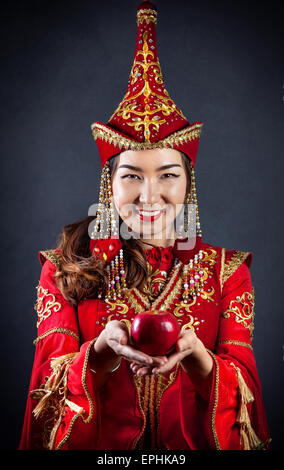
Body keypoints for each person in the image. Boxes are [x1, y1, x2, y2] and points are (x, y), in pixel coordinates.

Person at [19, 0, 270, 450]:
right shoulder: (62, 269)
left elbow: (246, 397)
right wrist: (97, 353)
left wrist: (197, 359)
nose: (150, 195)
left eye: (168, 176)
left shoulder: (228, 273)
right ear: (109, 184)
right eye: (132, 175)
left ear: (188, 183)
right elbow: (46, 397)